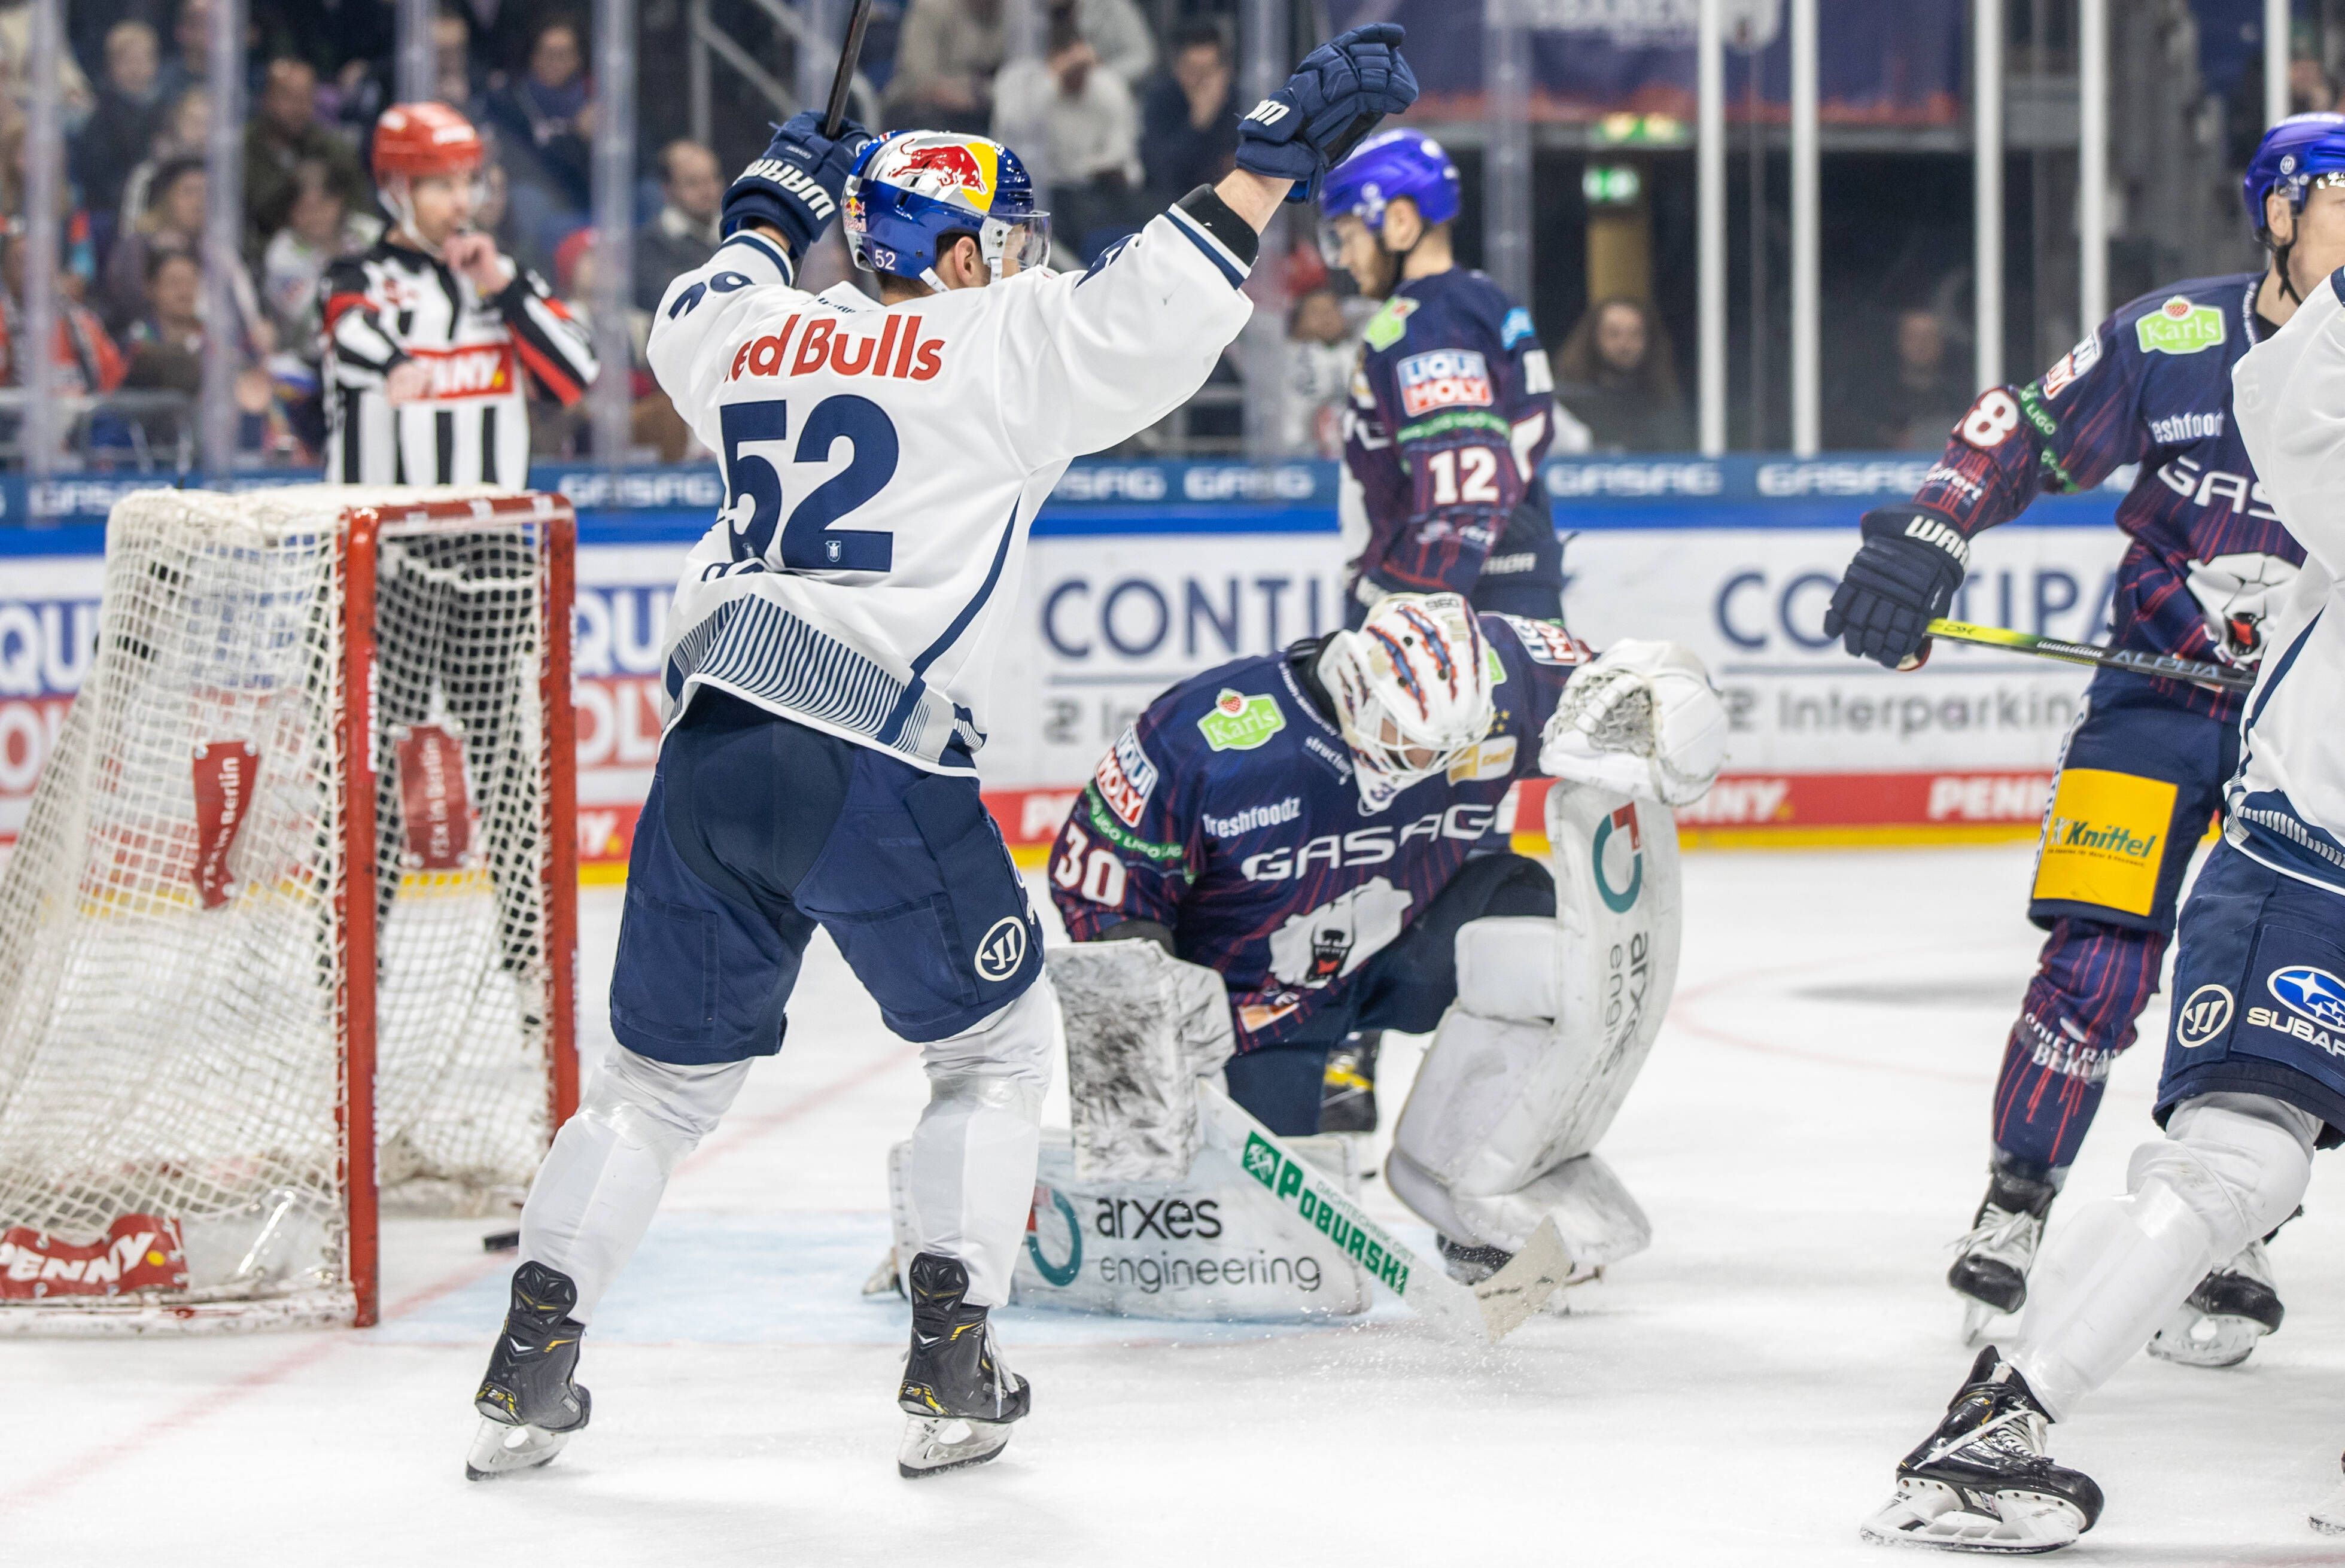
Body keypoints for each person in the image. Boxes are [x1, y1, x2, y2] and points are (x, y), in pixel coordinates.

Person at [460, 26, 1419, 1485]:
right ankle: (951, 1365)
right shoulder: (998, 341)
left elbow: (699, 299)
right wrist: (1266, 154)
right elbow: (1151, 306)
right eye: (1000, 241)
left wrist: (771, 203)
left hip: (709, 751)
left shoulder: (746, 331)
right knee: (989, 1052)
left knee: (649, 1091)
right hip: (869, 754)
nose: (1021, 261)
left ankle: (526, 1364)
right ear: (956, 251)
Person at [1824, 112, 2342, 1366]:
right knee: (2097, 960)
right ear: (2275, 212)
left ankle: (2223, 1226)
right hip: (2160, 701)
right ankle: (2016, 1199)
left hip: (2310, 731)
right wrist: (1933, 530)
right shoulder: (2173, 337)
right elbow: (2025, 425)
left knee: (2268, 968)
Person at [1047, 592, 1723, 1271]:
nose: (1432, 761)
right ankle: (1152, 1187)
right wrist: (1146, 1019)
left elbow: (1626, 684)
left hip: (1407, 941)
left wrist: (1672, 711)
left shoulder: (1505, 673)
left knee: (1532, 925)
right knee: (1267, 1245)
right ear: (1355, 688)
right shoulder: (1204, 736)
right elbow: (1098, 878)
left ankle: (1486, 1197)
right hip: (1253, 1003)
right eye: (1412, 740)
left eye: (1451, 744)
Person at [1321, 130, 1565, 628]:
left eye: (1348, 237)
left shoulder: (1428, 320)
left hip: (1458, 605)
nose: (1345, 258)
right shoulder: (1479, 300)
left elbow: (1463, 488)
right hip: (1500, 591)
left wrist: (1396, 605)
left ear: (1400, 222)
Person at [319, 101, 597, 484]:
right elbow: (348, 331)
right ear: (397, 188)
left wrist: (503, 289)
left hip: (493, 533)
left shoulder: (508, 278)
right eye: (442, 185)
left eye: (469, 182)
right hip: (383, 533)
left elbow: (578, 371)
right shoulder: (356, 276)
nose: (462, 202)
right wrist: (396, 365)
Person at [990, 0, 1144, 260]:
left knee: (1139, 213)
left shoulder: (1106, 86)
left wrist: (1100, 169)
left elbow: (1125, 160)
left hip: (1098, 191)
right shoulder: (1020, 82)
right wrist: (1053, 80)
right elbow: (1013, 130)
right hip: (1043, 193)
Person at [484, 17, 596, 269]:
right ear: (533, 57)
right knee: (527, 200)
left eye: (565, 54)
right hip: (547, 198)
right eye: (549, 54)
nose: (557, 63)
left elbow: (638, 157)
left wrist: (601, 139)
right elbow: (527, 163)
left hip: (593, 196)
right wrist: (577, 136)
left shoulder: (595, 96)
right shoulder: (512, 99)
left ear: (579, 58)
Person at [244, 58, 370, 255]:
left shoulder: (335, 150)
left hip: (331, 255)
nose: (298, 107)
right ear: (266, 98)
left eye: (306, 97)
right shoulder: (241, 150)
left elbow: (360, 213)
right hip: (260, 258)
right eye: (288, 97)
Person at [1551, 296, 1692, 453]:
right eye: (1614, 334)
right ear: (1592, 337)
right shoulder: (1564, 405)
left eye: (1635, 334)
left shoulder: (1663, 405)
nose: (1624, 344)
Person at [1831, 303, 1973, 452]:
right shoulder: (1869, 397)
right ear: (1899, 341)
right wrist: (1889, 439)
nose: (1921, 345)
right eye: (1913, 337)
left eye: (1929, 336)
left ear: (1942, 343)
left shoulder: (1960, 397)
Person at [70, 20, 166, 235]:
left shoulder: (164, 111)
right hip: (112, 209)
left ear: (155, 63)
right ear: (111, 66)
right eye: (127, 61)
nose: (135, 69)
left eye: (142, 60)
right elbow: (99, 173)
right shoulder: (100, 117)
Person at [1140, 22, 1237, 203]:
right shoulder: (1161, 101)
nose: (1202, 83)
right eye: (1194, 72)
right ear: (1178, 70)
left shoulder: (1240, 102)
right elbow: (1160, 173)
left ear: (1225, 72)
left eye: (1209, 72)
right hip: (1175, 205)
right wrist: (1198, 124)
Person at [631, 139, 722, 313]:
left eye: (712, 178)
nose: (707, 190)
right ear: (668, 190)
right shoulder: (648, 244)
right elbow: (669, 301)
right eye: (693, 183)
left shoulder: (739, 231)